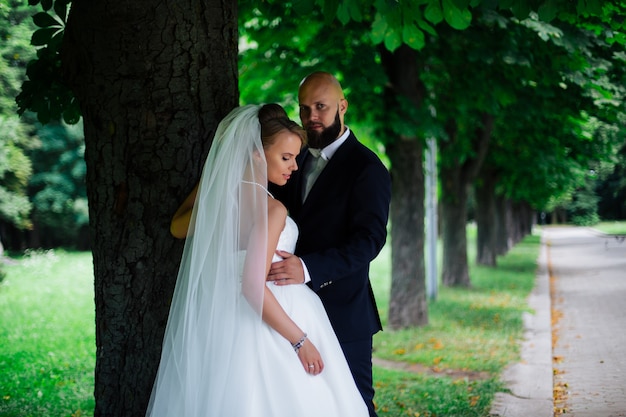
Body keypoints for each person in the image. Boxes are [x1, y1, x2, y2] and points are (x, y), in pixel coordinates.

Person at [146, 103, 368, 417]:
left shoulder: (218, 199)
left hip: (224, 315)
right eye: (286, 158)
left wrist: (214, 180)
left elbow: (178, 227)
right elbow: (253, 286)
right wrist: (300, 341)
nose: (293, 167)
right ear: (255, 153)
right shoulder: (272, 209)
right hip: (273, 314)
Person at [268, 72, 392, 417]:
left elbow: (369, 241)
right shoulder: (298, 157)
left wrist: (308, 268)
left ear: (342, 106)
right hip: (291, 308)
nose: (312, 118)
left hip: (343, 311)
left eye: (321, 107)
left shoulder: (367, 168)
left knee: (353, 404)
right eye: (305, 109)